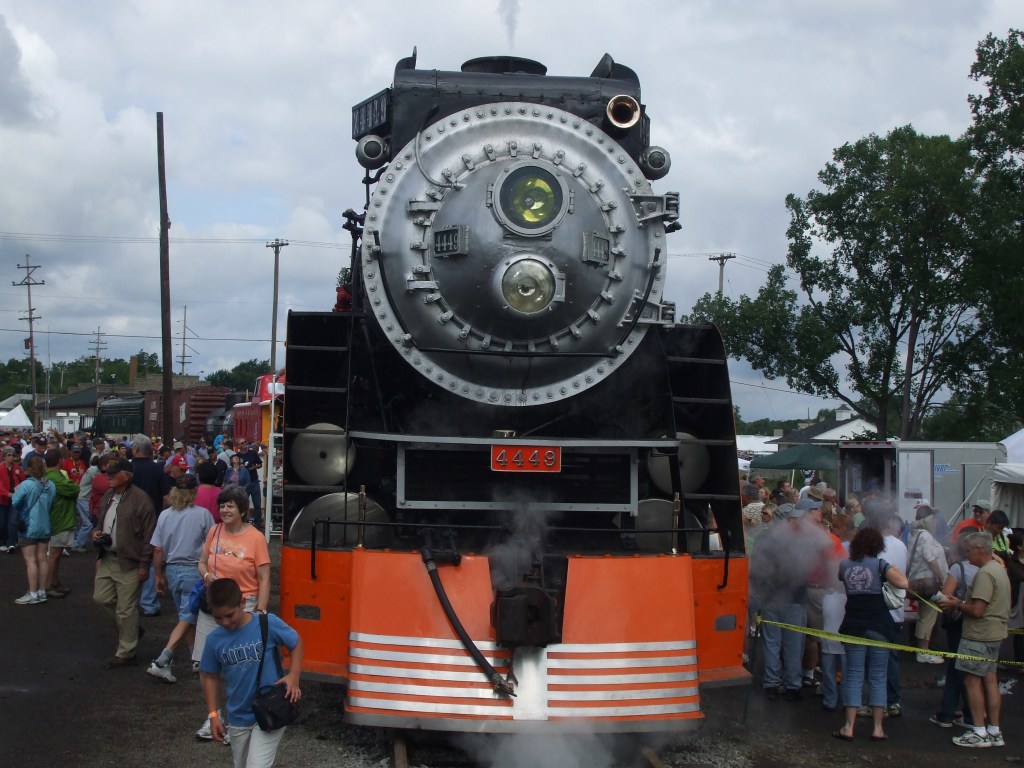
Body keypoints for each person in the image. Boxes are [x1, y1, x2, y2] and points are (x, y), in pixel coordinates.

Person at [192, 486, 271, 740]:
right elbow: (201, 562)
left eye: (230, 506)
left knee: (240, 666)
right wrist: (207, 576)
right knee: (208, 665)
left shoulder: (255, 538)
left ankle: (241, 722)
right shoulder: (214, 531)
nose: (224, 510)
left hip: (243, 606)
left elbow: (264, 576)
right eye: (222, 505)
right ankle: (213, 717)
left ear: (243, 510)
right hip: (213, 605)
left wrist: (260, 608)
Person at [200, 577, 303, 766]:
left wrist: (294, 675)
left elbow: (295, 641)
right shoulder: (214, 640)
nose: (225, 622)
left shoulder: (266, 623)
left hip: (272, 707)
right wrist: (213, 715)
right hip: (238, 715)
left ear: (243, 603)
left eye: (229, 615)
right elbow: (210, 677)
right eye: (218, 617)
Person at [833, 526, 908, 742]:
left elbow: (840, 583)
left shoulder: (844, 565)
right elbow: (903, 583)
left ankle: (848, 726)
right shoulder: (880, 565)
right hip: (879, 624)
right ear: (878, 546)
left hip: (854, 623)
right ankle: (877, 728)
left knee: (854, 675)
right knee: (878, 676)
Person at [940, 531, 1011, 748]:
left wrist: (957, 605)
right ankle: (993, 730)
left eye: (969, 550)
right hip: (994, 634)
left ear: (981, 549)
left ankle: (979, 730)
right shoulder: (998, 570)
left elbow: (978, 610)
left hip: (979, 636)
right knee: (990, 681)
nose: (966, 555)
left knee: (971, 681)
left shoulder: (985, 574)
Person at [147, 474, 215, 683]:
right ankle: (163, 660)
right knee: (188, 616)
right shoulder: (203, 515)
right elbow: (212, 546)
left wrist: (158, 575)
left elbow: (158, 549)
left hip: (172, 569)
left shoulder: (165, 515)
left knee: (186, 616)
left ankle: (196, 658)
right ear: (194, 492)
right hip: (194, 569)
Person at [91, 457, 157, 668]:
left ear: (125, 476)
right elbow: (100, 522)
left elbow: (150, 535)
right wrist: (96, 535)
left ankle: (126, 651)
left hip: (130, 560)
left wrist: (145, 565)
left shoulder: (141, 499)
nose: (108, 476)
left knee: (126, 608)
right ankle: (131, 630)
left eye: (113, 473)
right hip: (108, 557)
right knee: (100, 598)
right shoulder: (109, 496)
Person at [930, 530, 980, 728]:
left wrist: (959, 604)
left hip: (960, 623)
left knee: (956, 668)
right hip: (979, 624)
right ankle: (968, 713)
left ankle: (950, 713)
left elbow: (945, 597)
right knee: (971, 669)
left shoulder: (958, 569)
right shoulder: (990, 568)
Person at [131, 434, 173, 617]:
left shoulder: (128, 468)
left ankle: (128, 600)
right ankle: (149, 602)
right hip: (153, 522)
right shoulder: (157, 470)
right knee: (149, 560)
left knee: (127, 559)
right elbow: (167, 498)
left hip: (128, 521)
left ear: (135, 449)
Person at [11, 456, 56, 604]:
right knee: (43, 558)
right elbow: (52, 504)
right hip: (45, 525)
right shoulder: (51, 485)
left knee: (30, 561)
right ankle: (42, 591)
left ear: (29, 469)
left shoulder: (26, 485)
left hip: (29, 526)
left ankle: (33, 593)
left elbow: (15, 502)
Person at [907, 505, 948, 663]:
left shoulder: (914, 533)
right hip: (928, 582)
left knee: (925, 615)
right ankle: (923, 650)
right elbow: (931, 558)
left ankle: (922, 649)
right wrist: (941, 577)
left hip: (920, 580)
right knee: (928, 615)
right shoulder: (925, 535)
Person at [43, 448, 79, 598]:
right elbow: (73, 489)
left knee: (56, 554)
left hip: (60, 517)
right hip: (59, 518)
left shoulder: (52, 475)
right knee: (54, 554)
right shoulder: (55, 477)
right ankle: (48, 585)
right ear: (59, 460)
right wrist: (74, 485)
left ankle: (54, 581)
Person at [1, 445, 26, 552]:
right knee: (2, 522)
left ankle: (11, 543)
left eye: (12, 455)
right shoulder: (0, 468)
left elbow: (23, 480)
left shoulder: (17, 468)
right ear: (4, 457)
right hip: (2, 500)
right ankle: (2, 542)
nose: (11, 457)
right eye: (9, 455)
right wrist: (7, 494)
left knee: (13, 521)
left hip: (15, 499)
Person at [236, 439, 263, 528]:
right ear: (238, 446)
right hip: (244, 483)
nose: (245, 444)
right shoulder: (237, 456)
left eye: (245, 442)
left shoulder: (252, 453)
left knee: (257, 504)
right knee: (243, 503)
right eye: (242, 443)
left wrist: (255, 467)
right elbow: (235, 469)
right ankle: (244, 522)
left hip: (254, 480)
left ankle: (258, 523)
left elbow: (260, 464)